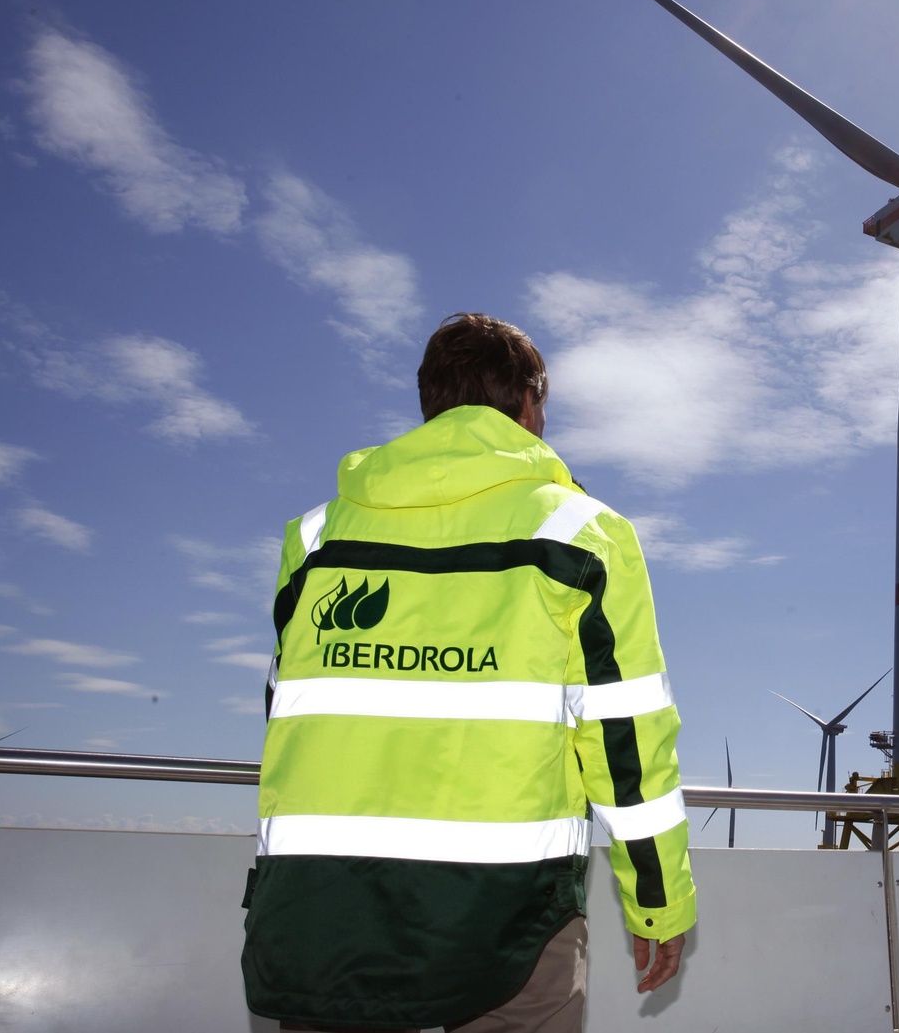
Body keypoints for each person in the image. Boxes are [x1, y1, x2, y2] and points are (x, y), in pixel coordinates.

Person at [242, 313, 696, 1032]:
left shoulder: (315, 537)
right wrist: (658, 901)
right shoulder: (581, 533)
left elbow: (285, 709)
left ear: (431, 402)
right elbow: (627, 743)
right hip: (511, 915)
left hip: (323, 906)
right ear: (527, 400)